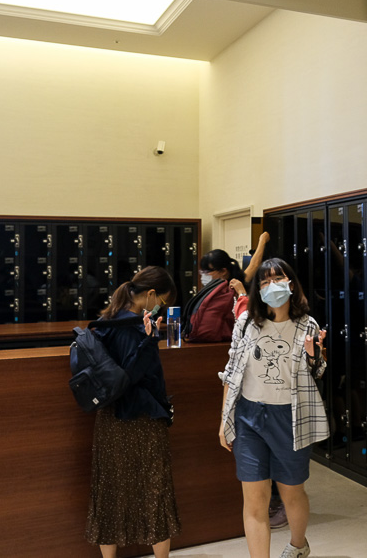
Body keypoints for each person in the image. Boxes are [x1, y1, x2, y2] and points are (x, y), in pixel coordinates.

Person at [218, 257, 329, 558]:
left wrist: (313, 357)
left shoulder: (307, 325)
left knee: (292, 491)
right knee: (255, 499)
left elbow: (318, 371)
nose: (271, 286)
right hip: (249, 417)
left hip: (289, 416)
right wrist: (223, 421)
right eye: (264, 281)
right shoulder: (246, 324)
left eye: (277, 279)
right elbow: (231, 370)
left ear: (291, 283)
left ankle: (298, 544)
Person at [84, 266, 181, 558]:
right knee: (155, 488)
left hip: (109, 418)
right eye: (162, 299)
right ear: (150, 295)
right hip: (142, 417)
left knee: (110, 490)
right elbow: (132, 375)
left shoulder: (106, 320)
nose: (161, 305)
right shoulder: (135, 327)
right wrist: (149, 341)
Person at [184, 232, 269, 343]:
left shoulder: (236, 285)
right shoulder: (212, 290)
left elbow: (254, 264)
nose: (204, 275)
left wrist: (262, 240)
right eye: (202, 272)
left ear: (223, 271)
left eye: (208, 271)